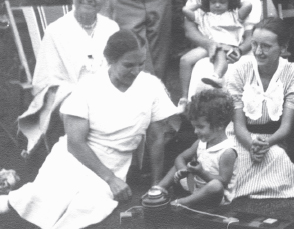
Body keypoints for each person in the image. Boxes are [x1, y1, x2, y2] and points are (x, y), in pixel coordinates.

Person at [1, 30, 179, 228]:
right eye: (128, 65)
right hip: (73, 157)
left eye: (141, 64)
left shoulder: (151, 86)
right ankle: (9, 201)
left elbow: (156, 139)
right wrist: (110, 179)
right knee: (45, 197)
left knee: (86, 207)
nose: (136, 71)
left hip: (114, 161)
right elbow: (75, 144)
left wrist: (156, 185)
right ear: (110, 59)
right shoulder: (88, 87)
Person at [18, 0, 119, 157]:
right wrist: (83, 96)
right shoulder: (55, 30)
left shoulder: (111, 28)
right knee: (81, 113)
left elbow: (116, 69)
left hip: (106, 95)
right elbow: (46, 80)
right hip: (67, 97)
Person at [225, 18, 294, 199]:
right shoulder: (240, 69)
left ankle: (246, 184)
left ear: (283, 47)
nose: (258, 51)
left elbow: (286, 127)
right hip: (240, 137)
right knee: (228, 158)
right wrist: (250, 145)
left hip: (273, 140)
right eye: (255, 44)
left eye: (266, 46)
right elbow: (238, 124)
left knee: (277, 156)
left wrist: (266, 144)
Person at [183, 0, 262, 101]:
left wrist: (238, 50)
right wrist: (210, 45)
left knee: (241, 68)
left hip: (240, 51)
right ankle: (199, 115)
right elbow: (190, 30)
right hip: (207, 50)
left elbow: (251, 36)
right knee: (203, 67)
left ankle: (237, 121)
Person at [144, 89, 237, 208]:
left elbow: (223, 181)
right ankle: (160, 188)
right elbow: (180, 157)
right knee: (176, 165)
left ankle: (183, 202)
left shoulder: (227, 151)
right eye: (194, 126)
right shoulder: (201, 143)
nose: (195, 131)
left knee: (215, 185)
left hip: (216, 197)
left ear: (219, 125)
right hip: (196, 186)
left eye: (200, 127)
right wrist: (183, 170)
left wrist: (201, 172)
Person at [181, 0, 252, 91]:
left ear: (228, 2)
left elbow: (248, 5)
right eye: (213, 2)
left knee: (220, 55)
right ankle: (184, 98)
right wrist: (200, 3)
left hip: (226, 46)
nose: (217, 5)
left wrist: (235, 2)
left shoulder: (234, 15)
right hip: (208, 46)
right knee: (185, 60)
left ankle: (216, 76)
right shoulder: (204, 16)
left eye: (222, 2)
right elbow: (185, 10)